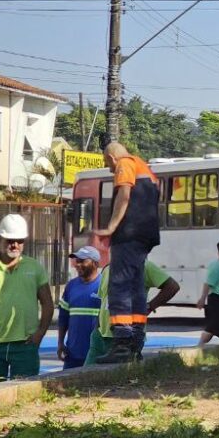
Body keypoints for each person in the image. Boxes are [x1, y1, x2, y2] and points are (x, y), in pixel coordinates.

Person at [93, 141, 161, 364]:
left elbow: (124, 194)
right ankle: (135, 341)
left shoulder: (124, 163)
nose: (110, 169)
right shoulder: (145, 168)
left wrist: (112, 227)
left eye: (108, 164)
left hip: (128, 234)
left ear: (112, 158)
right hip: (145, 236)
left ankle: (122, 342)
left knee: (119, 285)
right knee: (135, 287)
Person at [0, 213, 53, 383]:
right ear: (0, 240)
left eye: (19, 241)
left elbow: (47, 303)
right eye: (10, 240)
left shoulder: (35, 267)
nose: (15, 245)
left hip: (25, 345)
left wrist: (40, 333)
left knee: (25, 392)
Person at [85, 259, 180, 365]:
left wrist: (149, 307)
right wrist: (96, 330)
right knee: (86, 372)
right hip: (100, 336)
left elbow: (172, 287)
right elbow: (103, 301)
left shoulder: (144, 265)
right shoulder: (108, 268)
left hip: (126, 338)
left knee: (118, 372)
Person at [56, 245, 103, 369]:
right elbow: (63, 317)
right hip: (73, 354)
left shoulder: (104, 285)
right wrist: (60, 343)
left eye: (82, 261)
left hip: (97, 354)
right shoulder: (71, 286)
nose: (77, 264)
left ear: (95, 263)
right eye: (77, 261)